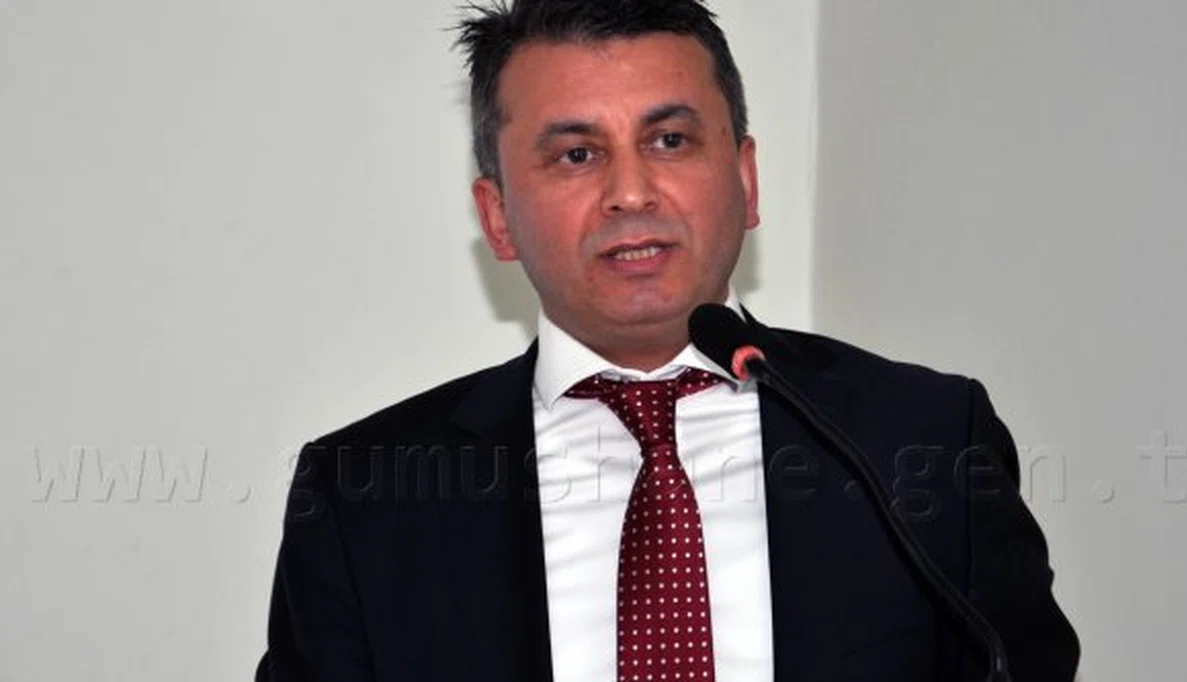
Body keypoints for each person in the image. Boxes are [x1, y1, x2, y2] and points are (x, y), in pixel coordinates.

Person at [255, 1, 1080, 680]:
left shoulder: (923, 438)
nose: (631, 191)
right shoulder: (365, 493)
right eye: (577, 154)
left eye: (670, 141)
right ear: (498, 217)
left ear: (746, 179)